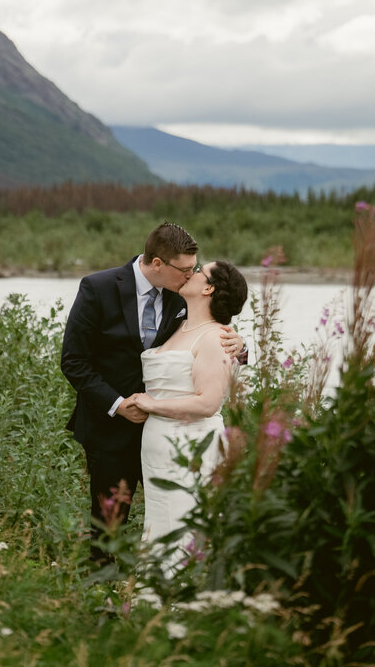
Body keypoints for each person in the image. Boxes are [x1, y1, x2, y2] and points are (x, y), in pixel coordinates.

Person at [61, 222, 244, 563]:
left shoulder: (182, 294)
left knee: (179, 515)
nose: (191, 276)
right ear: (158, 263)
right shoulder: (98, 288)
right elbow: (74, 361)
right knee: (108, 528)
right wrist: (117, 405)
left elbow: (209, 334)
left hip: (172, 433)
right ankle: (103, 602)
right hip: (110, 428)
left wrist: (242, 346)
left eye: (195, 269)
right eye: (185, 269)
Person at [131, 259, 248, 568]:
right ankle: (153, 604)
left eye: (198, 271)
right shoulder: (177, 320)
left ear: (208, 287)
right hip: (158, 446)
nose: (189, 273)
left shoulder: (216, 337)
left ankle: (181, 605)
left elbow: (208, 403)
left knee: (184, 525)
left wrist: (151, 404)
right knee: (160, 525)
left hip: (191, 446)